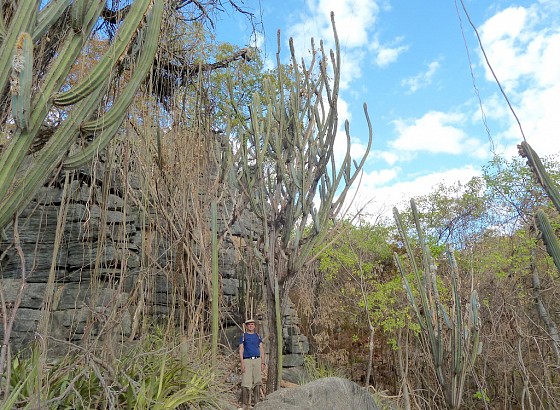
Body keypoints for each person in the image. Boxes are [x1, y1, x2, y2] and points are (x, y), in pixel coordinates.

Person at [239, 318, 265, 409]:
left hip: (257, 360)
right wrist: (242, 362)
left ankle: (257, 402)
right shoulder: (244, 336)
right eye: (249, 324)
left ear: (254, 326)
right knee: (246, 382)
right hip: (247, 360)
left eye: (252, 324)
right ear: (246, 326)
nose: (251, 326)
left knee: (257, 381)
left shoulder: (258, 336)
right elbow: (241, 350)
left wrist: (263, 362)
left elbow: (261, 349)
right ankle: (245, 404)